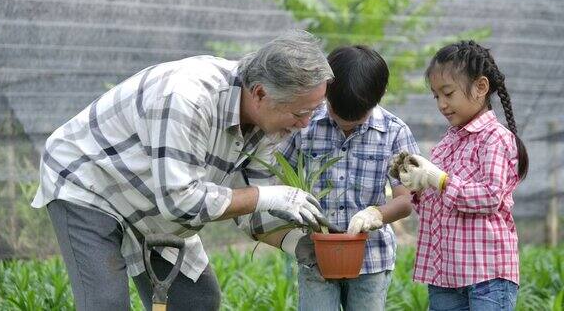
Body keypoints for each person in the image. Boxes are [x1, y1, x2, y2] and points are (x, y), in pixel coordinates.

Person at [30, 30, 334, 310]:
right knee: (106, 303)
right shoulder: (187, 98)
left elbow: (253, 206)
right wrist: (266, 197)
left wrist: (299, 244)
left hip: (154, 198)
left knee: (196, 299)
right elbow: (182, 202)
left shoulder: (269, 124)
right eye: (300, 113)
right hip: (92, 182)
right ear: (259, 93)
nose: (305, 123)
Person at [255, 45, 420, 311]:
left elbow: (406, 201)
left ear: (379, 97)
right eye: (335, 111)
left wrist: (376, 214)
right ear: (326, 90)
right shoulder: (304, 125)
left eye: (356, 119)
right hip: (316, 254)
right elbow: (273, 169)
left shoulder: (394, 132)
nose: (344, 123)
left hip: (371, 259)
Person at [390, 40, 528, 310]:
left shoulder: (495, 138)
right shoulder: (447, 143)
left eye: (448, 93)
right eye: (436, 96)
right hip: (446, 274)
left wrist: (440, 180)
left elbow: (490, 196)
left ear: (480, 87)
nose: (442, 104)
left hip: (488, 275)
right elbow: (439, 203)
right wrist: (418, 185)